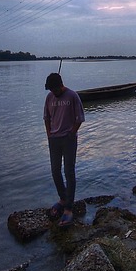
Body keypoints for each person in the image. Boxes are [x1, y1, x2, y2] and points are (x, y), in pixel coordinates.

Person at [43, 72, 85, 227]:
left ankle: (68, 208)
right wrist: (49, 134)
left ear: (60, 85)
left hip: (68, 139)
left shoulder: (72, 96)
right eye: (50, 90)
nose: (52, 92)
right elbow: (46, 117)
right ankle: (62, 198)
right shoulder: (49, 98)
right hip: (54, 139)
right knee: (55, 170)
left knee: (69, 171)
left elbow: (80, 118)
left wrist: (71, 133)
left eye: (54, 89)